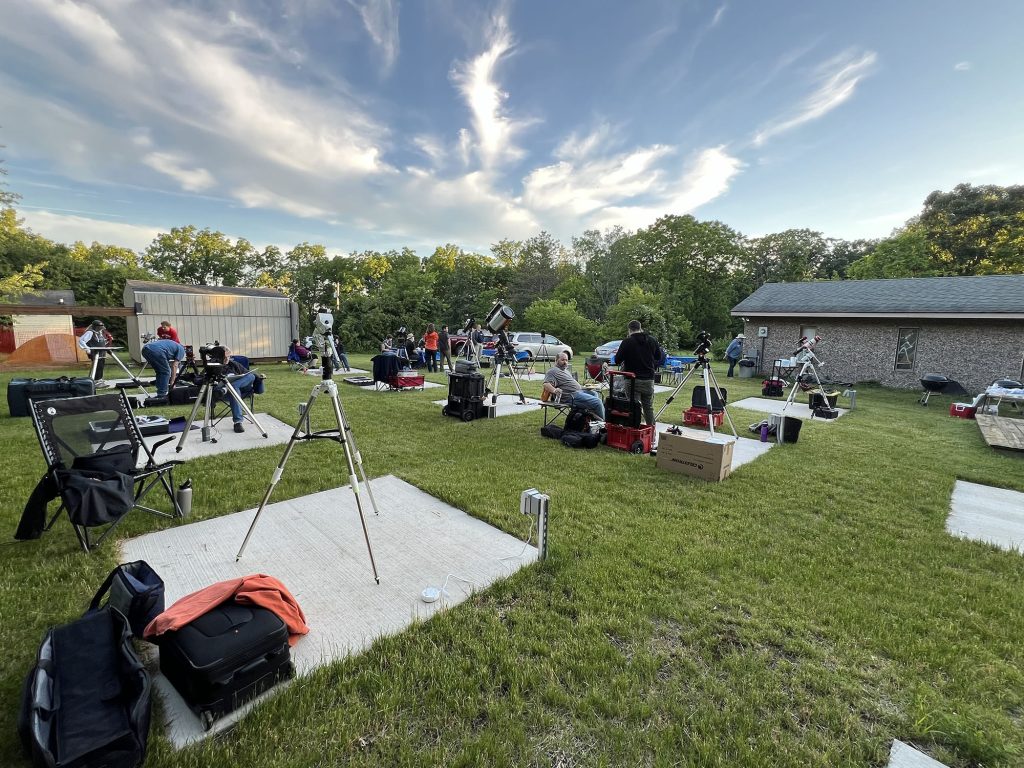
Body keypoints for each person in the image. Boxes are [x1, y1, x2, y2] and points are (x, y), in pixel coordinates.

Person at [616, 320, 661, 426]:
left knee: (634, 407)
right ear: (640, 328)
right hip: (648, 380)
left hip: (632, 379)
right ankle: (651, 431)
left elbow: (617, 360)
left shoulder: (627, 342)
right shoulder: (652, 340)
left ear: (629, 330)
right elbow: (658, 357)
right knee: (648, 407)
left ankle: (634, 430)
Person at [542, 352, 605, 419]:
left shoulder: (565, 371)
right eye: (562, 360)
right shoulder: (552, 371)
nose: (565, 362)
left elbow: (571, 383)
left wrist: (585, 388)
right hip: (570, 396)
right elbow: (546, 384)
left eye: (566, 360)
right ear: (556, 360)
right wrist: (555, 390)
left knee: (594, 393)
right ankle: (603, 426)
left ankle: (591, 419)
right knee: (597, 403)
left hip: (579, 391)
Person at [217, 347, 256, 433]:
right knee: (234, 390)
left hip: (241, 387)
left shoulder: (234, 364)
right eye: (224, 357)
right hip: (224, 392)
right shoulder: (214, 366)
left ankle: (230, 387)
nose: (227, 359)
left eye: (229, 356)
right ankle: (238, 422)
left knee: (251, 376)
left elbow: (247, 374)